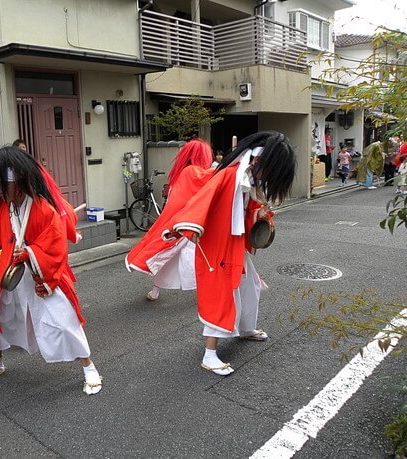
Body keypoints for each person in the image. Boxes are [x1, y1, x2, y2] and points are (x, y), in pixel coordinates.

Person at [0, 146, 102, 395]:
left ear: (17, 183)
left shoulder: (42, 208)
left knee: (63, 320)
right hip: (12, 273)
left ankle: (88, 366)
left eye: (1, 185)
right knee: (2, 318)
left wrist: (31, 253)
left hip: (40, 275)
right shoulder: (0, 205)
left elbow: (55, 245)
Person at [163, 131, 296, 376]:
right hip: (217, 246)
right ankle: (209, 354)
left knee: (249, 286)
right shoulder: (229, 176)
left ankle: (246, 329)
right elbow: (201, 203)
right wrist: (187, 226)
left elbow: (246, 211)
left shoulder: (247, 180)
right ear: (259, 161)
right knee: (221, 295)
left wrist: (259, 215)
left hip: (233, 243)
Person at [126, 139, 213, 302]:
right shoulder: (193, 172)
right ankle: (202, 291)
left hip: (178, 221)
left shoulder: (183, 172)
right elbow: (211, 180)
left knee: (167, 257)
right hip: (185, 223)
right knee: (191, 257)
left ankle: (156, 290)